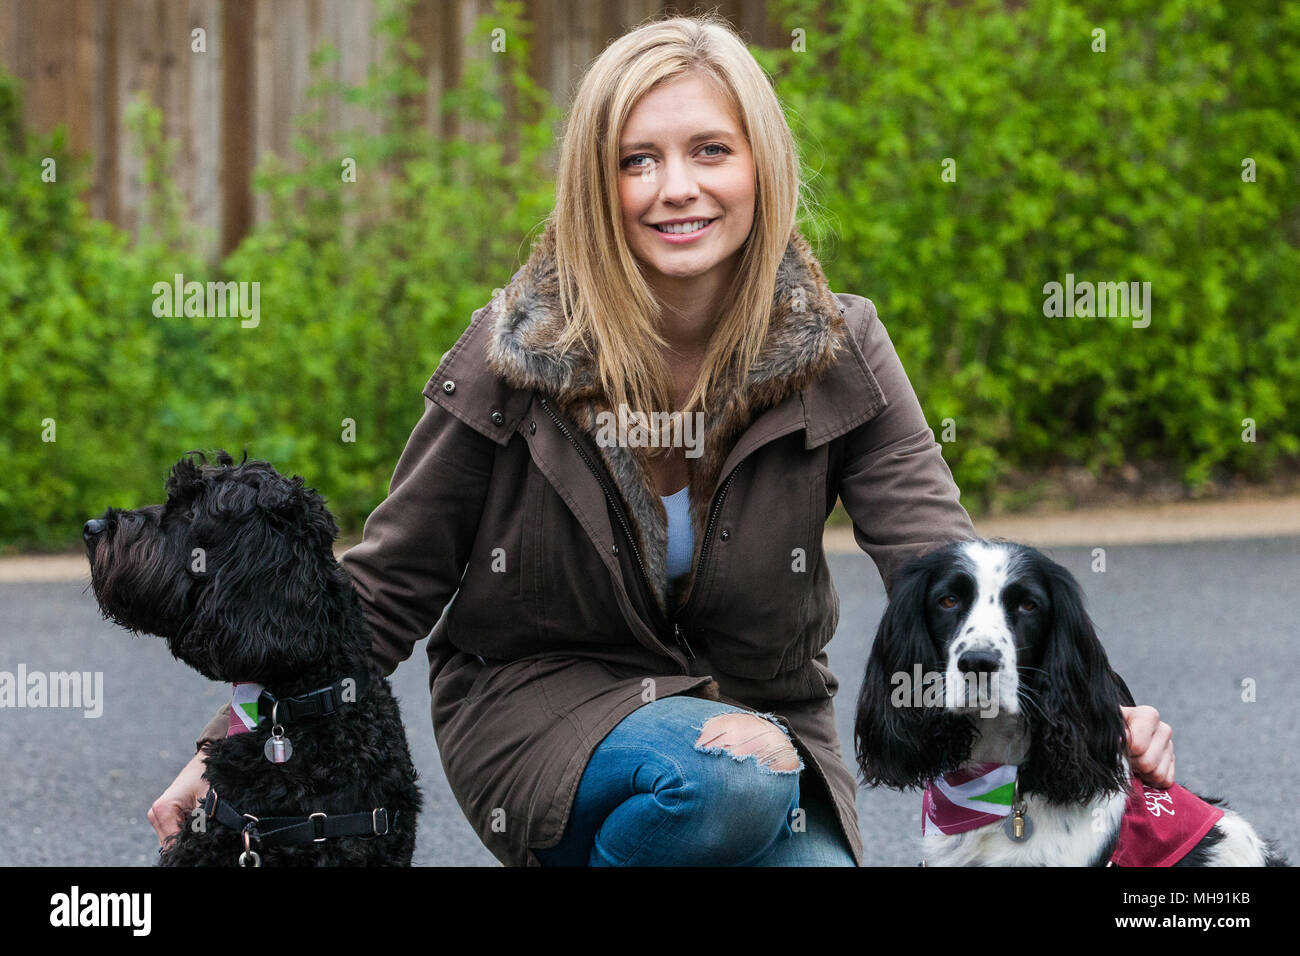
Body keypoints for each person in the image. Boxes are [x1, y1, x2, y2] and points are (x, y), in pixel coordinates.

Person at [152, 14, 1174, 866]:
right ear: (600, 185)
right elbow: (381, 588)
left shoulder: (840, 345)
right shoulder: (516, 348)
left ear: (758, 165)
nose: (673, 187)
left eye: (707, 151)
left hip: (766, 719)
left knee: (743, 777)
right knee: (720, 779)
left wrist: (1109, 703)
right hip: (545, 715)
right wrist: (232, 744)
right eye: (636, 160)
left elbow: (941, 560)